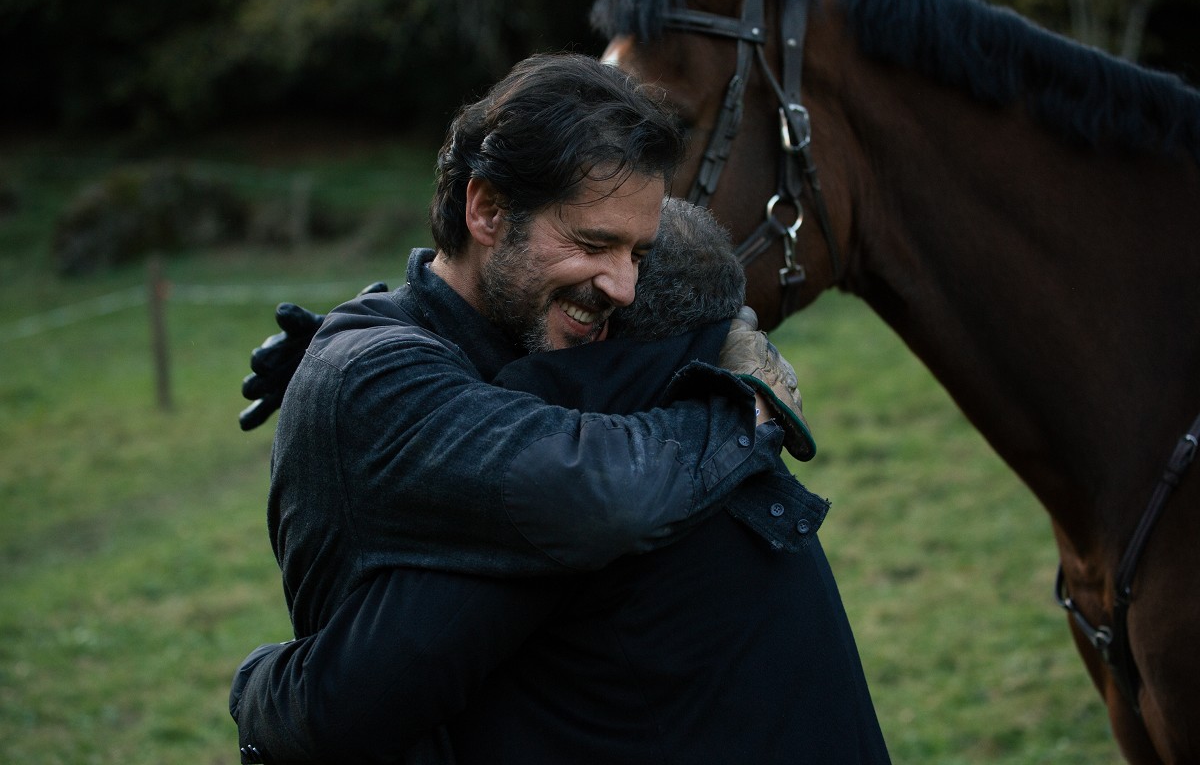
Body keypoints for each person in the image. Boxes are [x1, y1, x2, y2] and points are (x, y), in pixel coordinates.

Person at [231, 53, 889, 763]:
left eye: (639, 254)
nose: (624, 287)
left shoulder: (590, 361)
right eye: (593, 243)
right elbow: (597, 492)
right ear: (486, 210)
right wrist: (743, 413)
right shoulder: (386, 376)